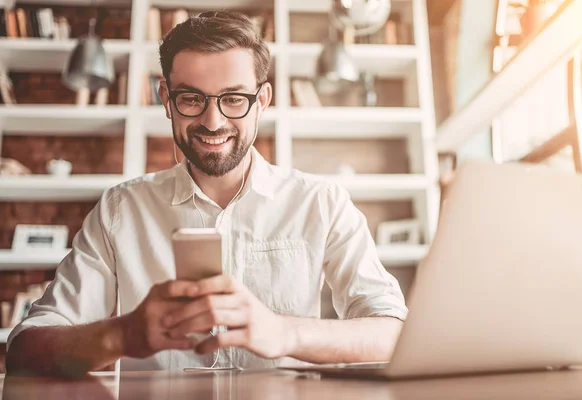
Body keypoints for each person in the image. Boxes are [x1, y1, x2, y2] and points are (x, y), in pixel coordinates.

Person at [6, 11, 408, 376]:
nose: (213, 121)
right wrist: (122, 335)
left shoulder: (321, 202)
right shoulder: (120, 209)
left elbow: (394, 333)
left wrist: (285, 333)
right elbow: (24, 350)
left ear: (261, 101)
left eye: (234, 99)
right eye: (192, 99)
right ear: (167, 100)